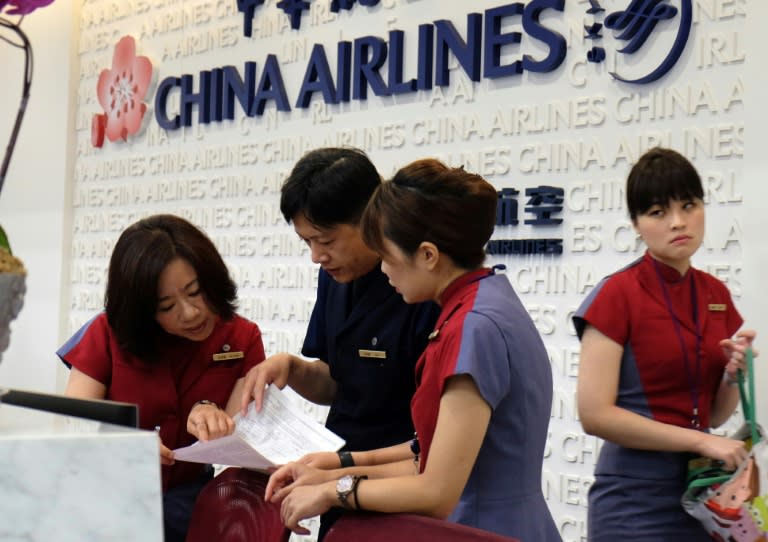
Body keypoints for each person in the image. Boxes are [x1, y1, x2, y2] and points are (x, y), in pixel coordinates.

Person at [263, 159, 560, 541]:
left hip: (480, 529)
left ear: (428, 255)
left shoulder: (475, 327)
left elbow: (434, 490)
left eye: (385, 256)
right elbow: (426, 450)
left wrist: (332, 489)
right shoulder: (481, 302)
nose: (383, 271)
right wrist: (335, 468)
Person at [187, 147, 439, 539]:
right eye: (307, 242)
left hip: (401, 483)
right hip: (335, 472)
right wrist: (290, 368)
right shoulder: (334, 278)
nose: (316, 257)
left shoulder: (420, 287)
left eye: (326, 240)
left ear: (372, 220)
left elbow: (434, 432)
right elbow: (336, 383)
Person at [572, 147, 758, 541]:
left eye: (689, 205)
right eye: (658, 212)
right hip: (632, 499)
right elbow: (594, 415)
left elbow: (713, 415)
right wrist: (701, 440)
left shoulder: (716, 293)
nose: (678, 222)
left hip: (703, 493)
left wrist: (730, 376)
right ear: (637, 224)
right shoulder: (616, 295)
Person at [57, 214, 266, 542]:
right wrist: (126, 446)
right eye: (166, 306)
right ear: (142, 311)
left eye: (195, 292)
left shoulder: (242, 337)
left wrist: (214, 418)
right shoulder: (108, 332)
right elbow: (74, 419)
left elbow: (243, 434)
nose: (190, 313)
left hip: (189, 501)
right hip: (107, 497)